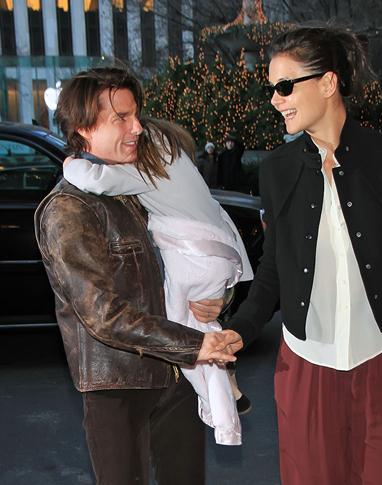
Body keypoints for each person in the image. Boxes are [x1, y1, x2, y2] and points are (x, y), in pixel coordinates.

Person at [222, 25, 382, 485]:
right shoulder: (277, 170)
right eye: (272, 88)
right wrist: (240, 330)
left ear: (328, 82)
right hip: (306, 363)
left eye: (285, 86)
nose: (275, 100)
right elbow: (272, 270)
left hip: (381, 358)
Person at [34, 67, 237, 485]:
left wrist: (221, 297)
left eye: (136, 115)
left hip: (176, 378)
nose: (138, 128)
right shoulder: (69, 208)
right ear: (83, 128)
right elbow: (102, 314)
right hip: (118, 386)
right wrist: (194, 345)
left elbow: (195, 248)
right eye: (122, 118)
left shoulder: (136, 185)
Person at [62, 117, 253, 446]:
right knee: (199, 331)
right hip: (215, 256)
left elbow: (97, 180)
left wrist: (70, 164)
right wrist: (226, 291)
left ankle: (220, 412)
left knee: (184, 339)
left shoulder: (147, 170)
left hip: (195, 257)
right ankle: (228, 393)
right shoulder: (177, 160)